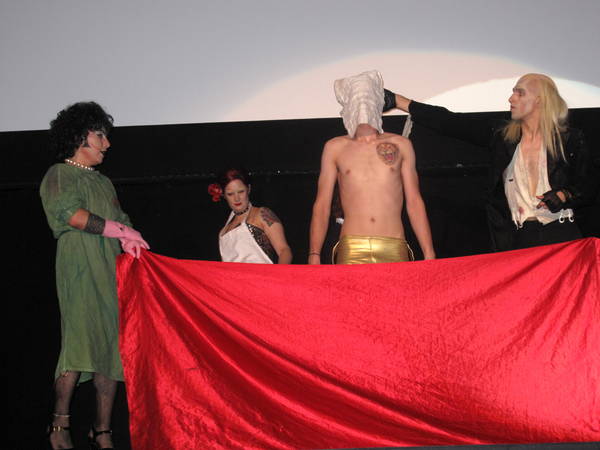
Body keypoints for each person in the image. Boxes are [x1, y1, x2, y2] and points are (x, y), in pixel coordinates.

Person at [40, 101, 149, 450]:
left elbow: (121, 218)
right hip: (79, 263)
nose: (107, 143)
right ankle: (59, 424)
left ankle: (102, 431)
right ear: (81, 137)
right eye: (100, 135)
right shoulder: (59, 174)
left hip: (108, 266)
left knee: (109, 347)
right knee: (78, 341)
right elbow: (71, 214)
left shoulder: (103, 182)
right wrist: (120, 230)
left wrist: (130, 239)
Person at [383, 73, 595, 251]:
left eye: (520, 93)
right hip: (517, 238)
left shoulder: (569, 140)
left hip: (560, 235)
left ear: (540, 100)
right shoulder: (503, 137)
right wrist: (400, 101)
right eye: (513, 92)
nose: (511, 98)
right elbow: (451, 122)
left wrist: (564, 194)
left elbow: (589, 184)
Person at [309, 70, 435, 264]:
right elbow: (322, 204)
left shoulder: (401, 145)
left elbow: (414, 201)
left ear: (377, 102)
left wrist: (429, 253)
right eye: (357, 100)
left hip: (394, 244)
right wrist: (314, 254)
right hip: (352, 246)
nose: (363, 106)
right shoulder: (335, 148)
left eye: (367, 99)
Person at [209, 168, 292, 264]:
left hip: (261, 273)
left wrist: (279, 273)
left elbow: (284, 250)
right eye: (230, 194)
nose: (237, 198)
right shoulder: (224, 231)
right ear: (223, 195)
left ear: (248, 189)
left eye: (241, 191)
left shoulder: (262, 214)